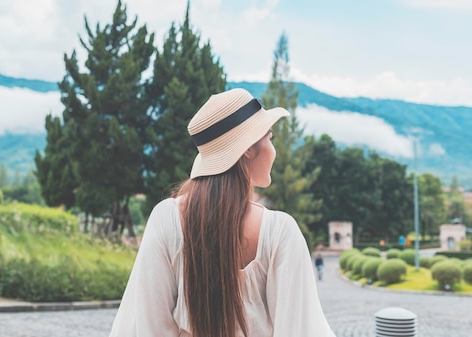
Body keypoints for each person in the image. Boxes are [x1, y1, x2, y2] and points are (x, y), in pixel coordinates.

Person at [109, 88, 336, 337]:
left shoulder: (166, 219)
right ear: (248, 149)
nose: (273, 150)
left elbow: (147, 326)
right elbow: (300, 329)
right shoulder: (280, 231)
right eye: (269, 138)